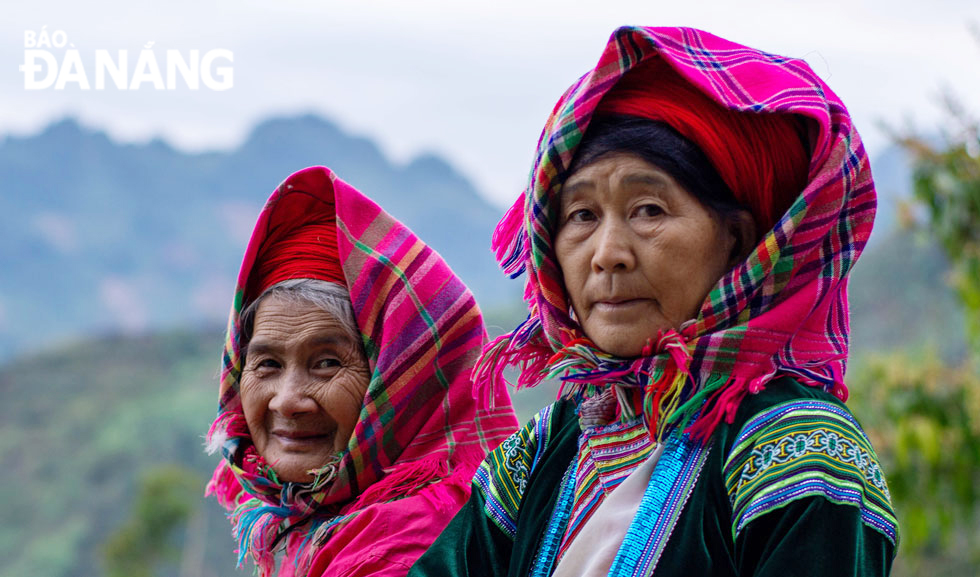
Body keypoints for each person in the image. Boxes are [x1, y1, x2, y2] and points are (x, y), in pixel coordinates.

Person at [410, 26, 899, 577]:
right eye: (582, 216)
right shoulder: (549, 446)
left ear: (738, 243)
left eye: (648, 210)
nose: (607, 255)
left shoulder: (798, 452)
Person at [205, 166, 518, 577]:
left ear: (404, 380)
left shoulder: (404, 543)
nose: (287, 400)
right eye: (267, 364)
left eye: (327, 364)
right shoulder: (326, 519)